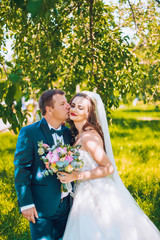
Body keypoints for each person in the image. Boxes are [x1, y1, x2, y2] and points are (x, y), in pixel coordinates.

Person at [58, 91, 160, 240]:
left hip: (95, 192)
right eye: (73, 105)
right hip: (84, 191)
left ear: (89, 113)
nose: (74, 110)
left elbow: (108, 167)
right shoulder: (79, 135)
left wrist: (77, 175)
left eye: (81, 108)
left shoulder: (88, 137)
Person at [14, 89, 73, 240]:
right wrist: (26, 204)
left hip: (68, 206)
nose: (68, 106)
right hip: (41, 208)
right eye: (62, 104)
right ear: (49, 110)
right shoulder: (29, 132)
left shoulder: (69, 133)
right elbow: (22, 169)